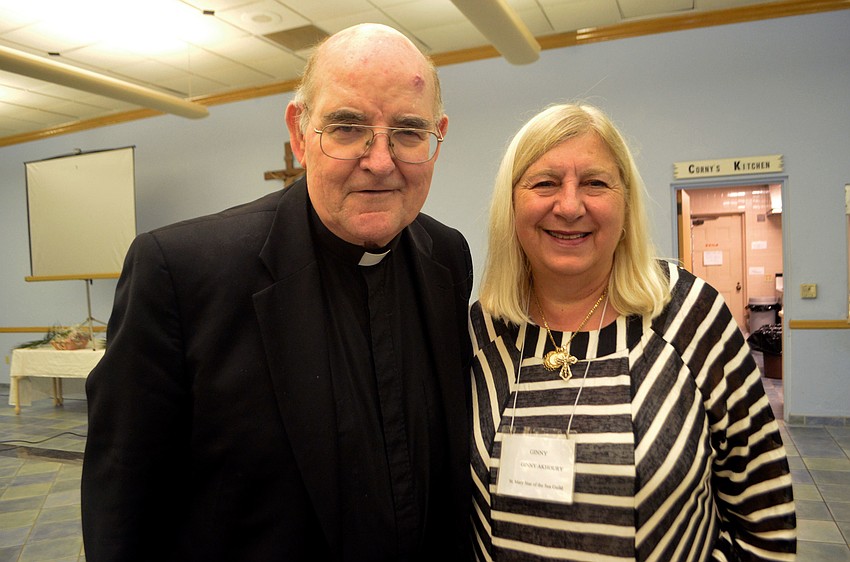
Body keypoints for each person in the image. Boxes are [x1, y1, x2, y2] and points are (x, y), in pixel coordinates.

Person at [82, 23, 473, 561]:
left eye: (408, 131)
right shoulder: (182, 272)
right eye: (347, 126)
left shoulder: (447, 257)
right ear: (299, 131)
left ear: (437, 135)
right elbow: (122, 505)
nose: (380, 161)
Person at [469, 103, 795, 561]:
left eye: (595, 183)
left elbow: (764, 509)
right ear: (511, 204)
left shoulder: (689, 314)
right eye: (544, 183)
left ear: (625, 201)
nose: (568, 206)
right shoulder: (481, 330)